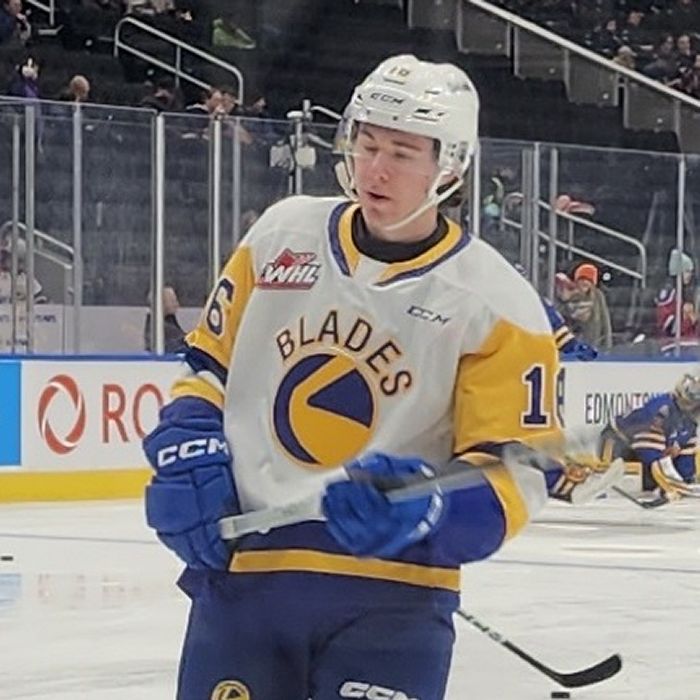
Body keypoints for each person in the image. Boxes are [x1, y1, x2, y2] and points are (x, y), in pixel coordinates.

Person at [141, 55, 621, 700]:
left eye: (401, 152)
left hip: (395, 602)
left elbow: (514, 476)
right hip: (248, 583)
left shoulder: (496, 301)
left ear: (450, 166)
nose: (376, 168)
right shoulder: (281, 235)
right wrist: (188, 447)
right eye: (367, 145)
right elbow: (207, 369)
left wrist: (432, 509)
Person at [599, 374, 700, 501]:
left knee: (659, 482)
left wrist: (684, 481)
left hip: (652, 446)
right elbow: (650, 454)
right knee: (647, 482)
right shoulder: (658, 412)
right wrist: (670, 486)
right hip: (618, 441)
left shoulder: (690, 420)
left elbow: (686, 454)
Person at [566, 262, 613, 351]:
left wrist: (608, 344)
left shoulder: (598, 296)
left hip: (593, 342)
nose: (585, 282)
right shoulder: (568, 295)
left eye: (588, 280)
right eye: (582, 279)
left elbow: (605, 320)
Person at [143, 285, 186, 353]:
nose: (177, 305)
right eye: (173, 301)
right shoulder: (157, 328)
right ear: (160, 303)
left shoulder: (169, 321)